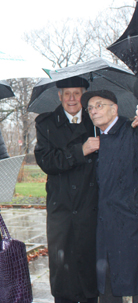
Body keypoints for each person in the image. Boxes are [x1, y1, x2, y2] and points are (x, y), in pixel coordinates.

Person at [34, 76, 99, 303]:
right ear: (59, 96)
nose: (72, 99)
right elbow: (48, 162)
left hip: (90, 204)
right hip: (61, 206)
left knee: (89, 265)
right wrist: (81, 150)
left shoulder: (96, 122)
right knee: (63, 267)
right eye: (67, 93)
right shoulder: (46, 124)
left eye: (77, 93)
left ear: (84, 95)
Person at [81, 90, 138, 303]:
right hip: (104, 226)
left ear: (114, 109)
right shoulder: (96, 140)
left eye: (100, 105)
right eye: (90, 108)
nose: (94, 111)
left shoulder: (131, 130)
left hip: (129, 224)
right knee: (107, 287)